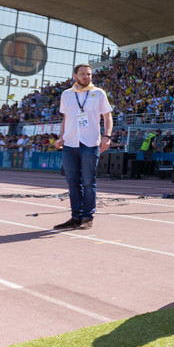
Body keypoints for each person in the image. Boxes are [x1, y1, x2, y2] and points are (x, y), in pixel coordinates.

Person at [53, 63, 113, 230]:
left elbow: (107, 116)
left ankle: (87, 217)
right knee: (72, 182)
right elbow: (66, 119)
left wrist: (107, 137)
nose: (87, 77)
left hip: (90, 143)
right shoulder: (66, 95)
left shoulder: (98, 93)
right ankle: (75, 216)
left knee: (88, 182)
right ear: (75, 76)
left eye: (89, 74)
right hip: (70, 143)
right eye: (83, 74)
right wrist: (61, 137)